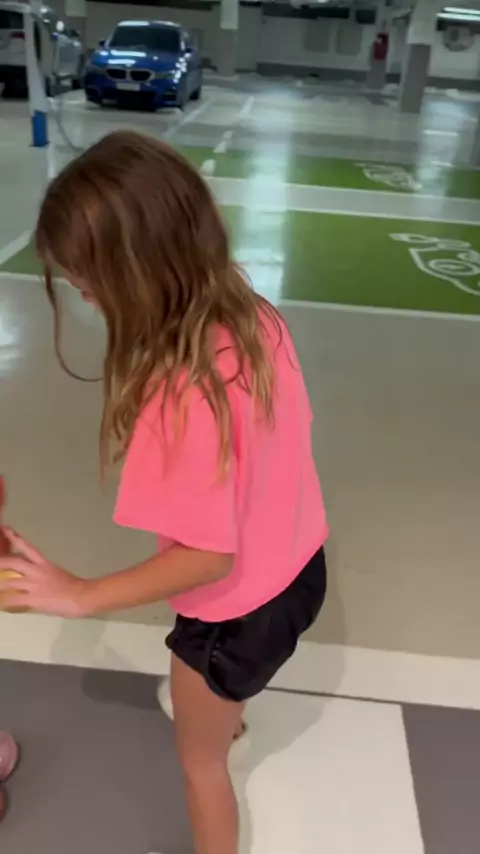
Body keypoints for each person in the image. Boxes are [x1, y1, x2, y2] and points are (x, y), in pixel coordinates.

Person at [0, 131, 328, 854]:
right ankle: (228, 711)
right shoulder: (255, 317)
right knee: (226, 699)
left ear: (136, 272)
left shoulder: (179, 395)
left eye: (88, 281)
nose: (81, 292)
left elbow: (207, 557)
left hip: (232, 618)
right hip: (301, 571)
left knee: (200, 768)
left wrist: (81, 595)